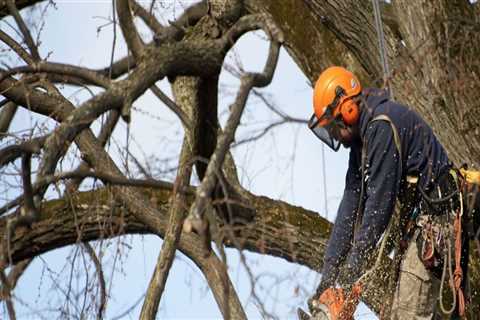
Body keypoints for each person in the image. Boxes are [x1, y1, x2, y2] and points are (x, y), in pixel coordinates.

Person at [306, 66, 475, 319]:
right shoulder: (360, 144)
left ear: (348, 109)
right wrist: (329, 276)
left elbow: (378, 210)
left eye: (334, 128)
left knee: (404, 314)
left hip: (437, 222)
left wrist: (352, 271)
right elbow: (350, 205)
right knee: (393, 313)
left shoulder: (381, 126)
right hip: (421, 226)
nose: (337, 138)